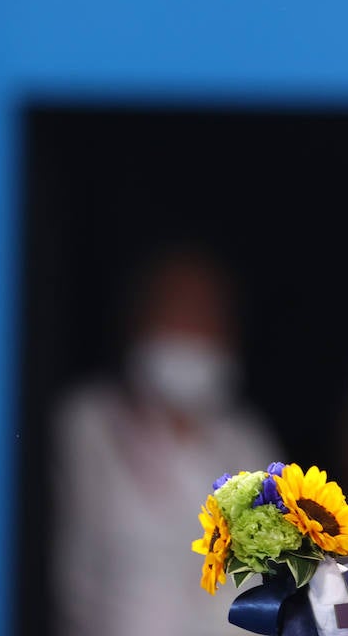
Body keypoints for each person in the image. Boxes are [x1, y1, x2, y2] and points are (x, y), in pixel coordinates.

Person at [52, 245, 283, 636]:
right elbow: (74, 579)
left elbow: (271, 578)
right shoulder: (86, 426)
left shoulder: (247, 440)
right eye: (177, 311)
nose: (192, 330)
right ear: (139, 320)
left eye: (206, 316)